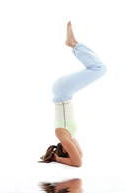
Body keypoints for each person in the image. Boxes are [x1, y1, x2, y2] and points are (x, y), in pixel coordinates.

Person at [39, 21, 107, 167]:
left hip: (63, 91)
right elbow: (80, 155)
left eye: (70, 149)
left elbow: (77, 163)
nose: (74, 147)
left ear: (64, 149)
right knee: (98, 68)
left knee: (99, 68)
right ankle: (74, 44)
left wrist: (57, 159)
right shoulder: (68, 135)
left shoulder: (61, 134)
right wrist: (62, 156)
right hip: (64, 92)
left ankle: (73, 44)